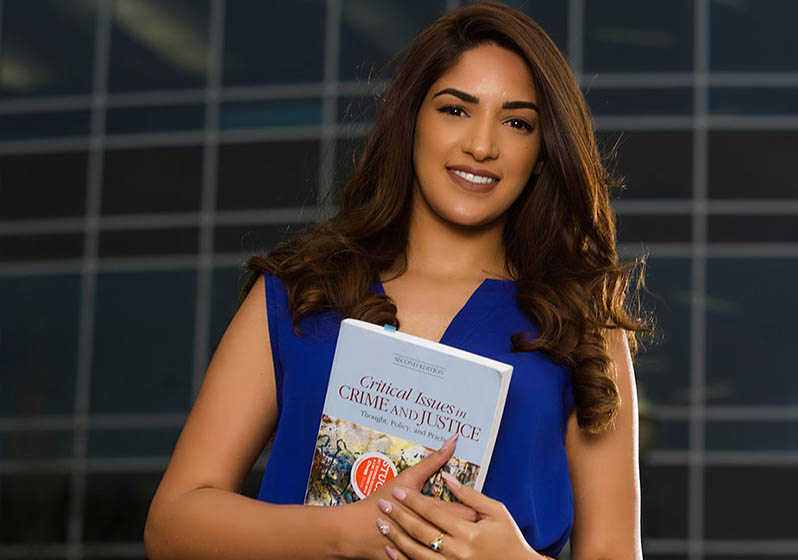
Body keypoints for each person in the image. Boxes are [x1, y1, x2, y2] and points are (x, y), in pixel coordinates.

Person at [144, 2, 649, 559]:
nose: (481, 145)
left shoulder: (579, 320)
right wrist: (346, 534)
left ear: (542, 152)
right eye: (456, 110)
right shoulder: (300, 292)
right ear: (411, 120)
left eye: (517, 122)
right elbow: (173, 524)